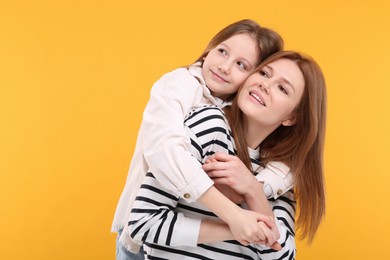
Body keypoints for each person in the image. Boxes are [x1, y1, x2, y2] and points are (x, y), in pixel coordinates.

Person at [112, 19, 287, 259]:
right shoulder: (179, 85)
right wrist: (232, 214)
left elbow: (291, 166)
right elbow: (164, 151)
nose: (225, 66)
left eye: (241, 64)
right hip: (142, 233)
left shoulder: (243, 111)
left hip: (187, 238)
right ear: (208, 51)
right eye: (222, 51)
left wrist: (254, 188)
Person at [128, 50, 327, 259]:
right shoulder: (211, 127)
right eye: (264, 74)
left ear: (291, 117)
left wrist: (253, 189)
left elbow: (282, 256)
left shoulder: (279, 172)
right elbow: (143, 223)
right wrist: (236, 226)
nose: (265, 85)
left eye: (282, 88)